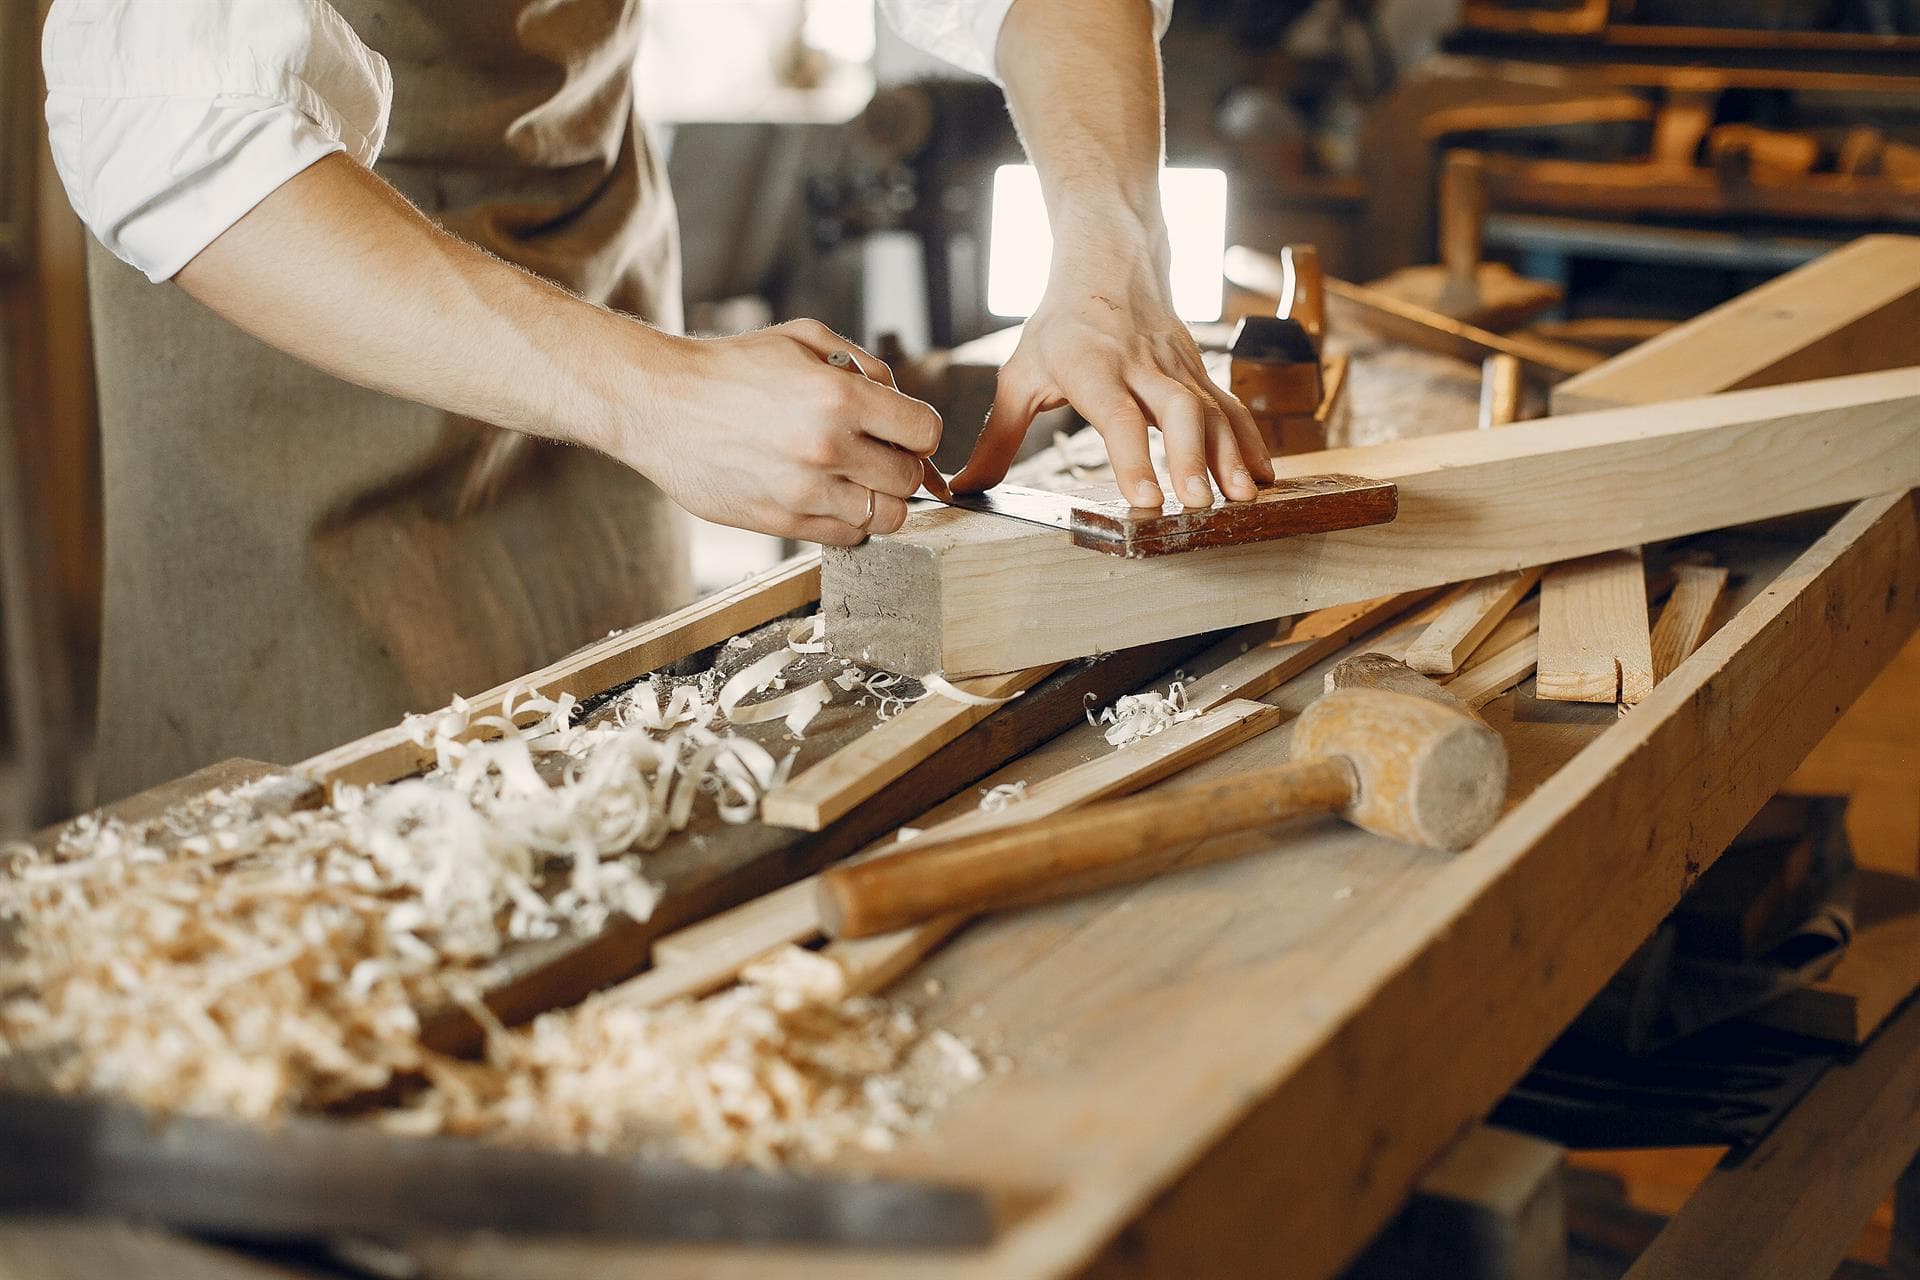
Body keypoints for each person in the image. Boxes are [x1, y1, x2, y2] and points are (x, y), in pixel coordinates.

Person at [43, 0, 1269, 802]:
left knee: (617, 795)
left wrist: (1113, 246)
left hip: (583, 220)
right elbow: (170, 126)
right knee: (330, 880)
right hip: (296, 254)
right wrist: (653, 401)